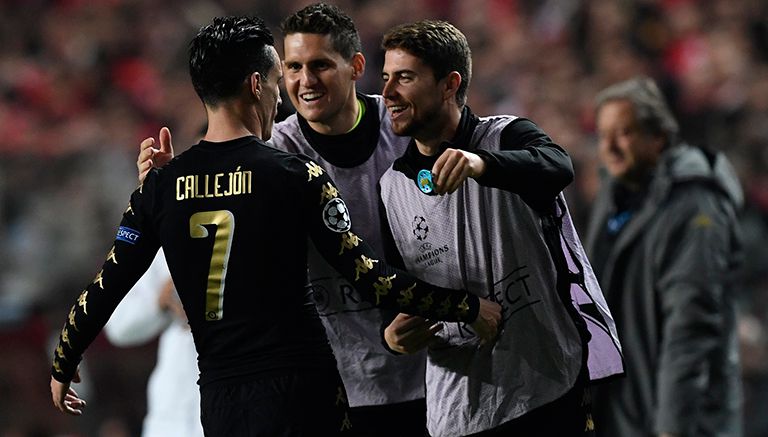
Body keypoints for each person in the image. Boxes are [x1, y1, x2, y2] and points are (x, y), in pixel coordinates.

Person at [49, 15, 502, 436]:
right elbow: (369, 278)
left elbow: (107, 285)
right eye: (275, 80)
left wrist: (64, 361)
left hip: (221, 402)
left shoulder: (161, 186)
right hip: (303, 392)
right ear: (255, 85)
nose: (281, 95)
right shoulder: (293, 174)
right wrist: (463, 307)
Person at [136, 4, 428, 435]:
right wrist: (164, 192)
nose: (304, 81)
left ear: (356, 67)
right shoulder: (272, 158)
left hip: (428, 372)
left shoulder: (406, 131)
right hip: (329, 389)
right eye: (292, 67)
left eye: (320, 65)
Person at [376, 20, 624, 436]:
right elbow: (394, 296)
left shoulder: (507, 136)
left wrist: (481, 164)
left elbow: (558, 166)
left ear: (449, 84)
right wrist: (393, 337)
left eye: (404, 77)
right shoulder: (391, 188)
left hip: (547, 390)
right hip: (458, 413)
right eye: (385, 78)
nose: (387, 93)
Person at [585, 76, 743, 437]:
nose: (608, 146)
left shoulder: (696, 205)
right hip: (625, 407)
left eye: (623, 133)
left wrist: (672, 426)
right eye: (602, 134)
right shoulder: (615, 196)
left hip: (681, 417)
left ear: (658, 137)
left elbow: (691, 326)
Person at [103, 249, 203, 437]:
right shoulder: (159, 235)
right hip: (173, 413)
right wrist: (159, 301)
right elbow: (116, 324)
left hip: (243, 393)